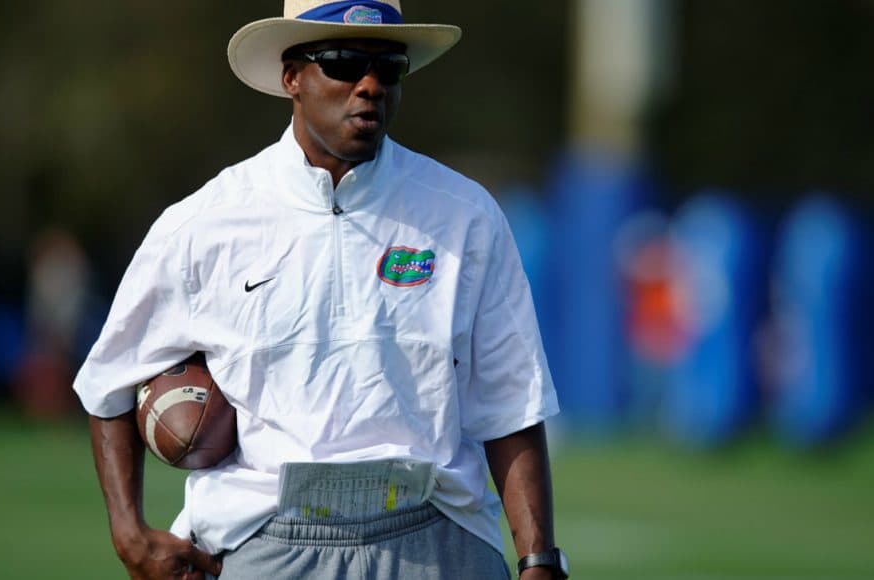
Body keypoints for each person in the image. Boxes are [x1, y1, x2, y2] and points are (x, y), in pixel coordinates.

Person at [74, 1, 568, 579]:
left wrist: (539, 561)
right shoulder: (204, 224)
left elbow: (512, 400)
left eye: (389, 68)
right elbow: (109, 382)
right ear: (292, 77)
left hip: (435, 535)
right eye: (344, 63)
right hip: (266, 540)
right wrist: (130, 535)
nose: (370, 86)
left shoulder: (467, 216)